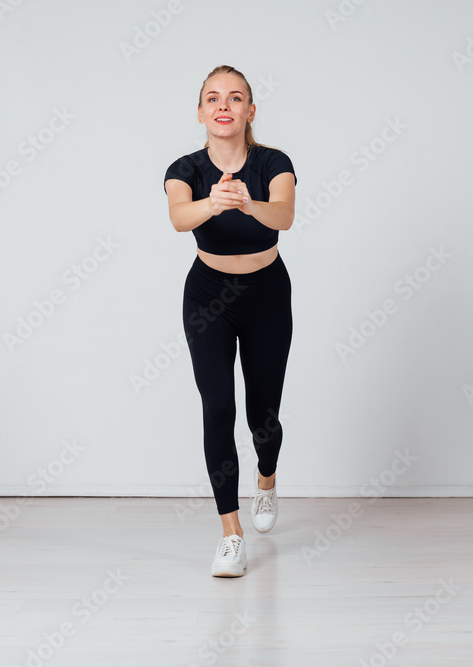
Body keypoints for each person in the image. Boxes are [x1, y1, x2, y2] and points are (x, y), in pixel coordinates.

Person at [163, 65, 297, 577]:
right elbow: (179, 218)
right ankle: (231, 533)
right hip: (207, 294)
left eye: (235, 98)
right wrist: (210, 203)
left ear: (249, 111)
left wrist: (248, 201)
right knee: (218, 405)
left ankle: (266, 477)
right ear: (201, 112)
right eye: (213, 98)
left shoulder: (273, 162)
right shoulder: (185, 169)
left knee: (263, 415)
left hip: (266, 292)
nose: (224, 105)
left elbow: (284, 215)